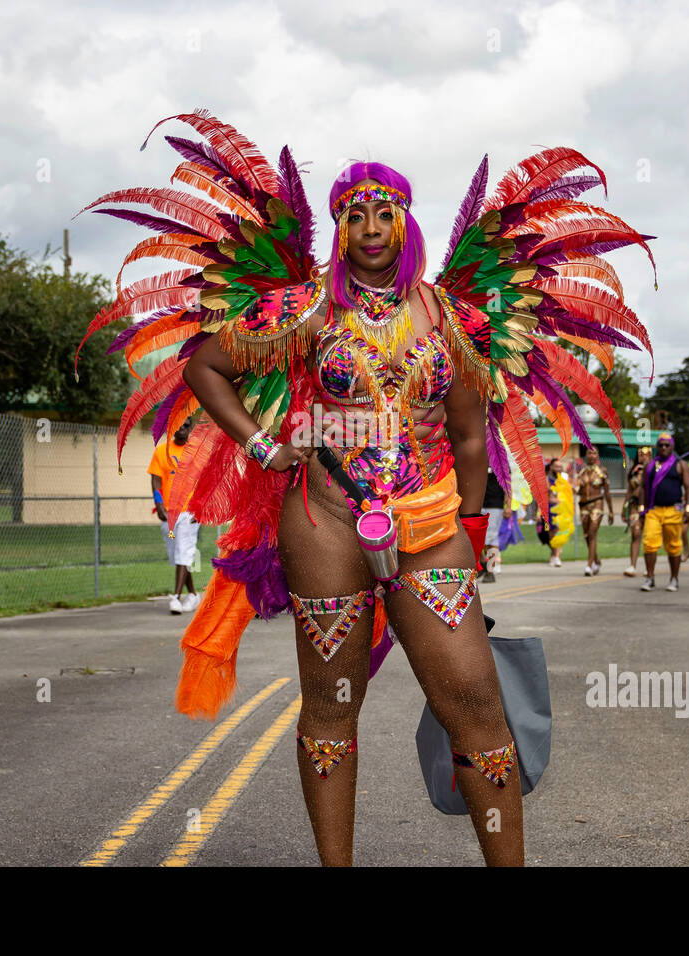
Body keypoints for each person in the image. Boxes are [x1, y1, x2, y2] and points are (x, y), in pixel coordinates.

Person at [84, 111, 656, 862]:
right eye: (355, 214)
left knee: (479, 711)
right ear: (341, 229)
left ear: (406, 222)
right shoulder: (305, 310)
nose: (372, 225)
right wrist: (263, 445)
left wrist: (475, 531)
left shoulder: (453, 317)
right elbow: (205, 367)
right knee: (330, 708)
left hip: (428, 526)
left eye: (385, 212)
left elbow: (471, 435)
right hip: (324, 522)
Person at [148, 418, 200, 614]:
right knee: (177, 555)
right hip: (168, 514)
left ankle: (176, 597)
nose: (182, 429)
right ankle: (193, 594)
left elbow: (205, 481)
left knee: (183, 552)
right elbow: (156, 480)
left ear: (191, 428)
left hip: (189, 513)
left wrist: (201, 508)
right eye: (178, 424)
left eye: (186, 425)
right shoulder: (161, 451)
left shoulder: (197, 452)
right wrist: (158, 503)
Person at [637, 433, 689, 592]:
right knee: (649, 544)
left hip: (674, 510)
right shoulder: (650, 465)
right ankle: (650, 578)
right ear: (657, 447)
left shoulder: (680, 465)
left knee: (674, 546)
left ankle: (674, 579)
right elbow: (642, 487)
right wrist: (641, 509)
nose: (663, 448)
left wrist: (688, 508)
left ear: (672, 446)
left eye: (666, 445)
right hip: (653, 510)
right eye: (661, 445)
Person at [576, 445, 613, 576]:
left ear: (597, 456)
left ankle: (589, 565)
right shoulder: (581, 472)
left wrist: (611, 511)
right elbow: (578, 490)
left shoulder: (602, 471)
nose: (592, 455)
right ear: (586, 455)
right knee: (587, 535)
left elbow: (607, 493)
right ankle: (596, 560)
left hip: (597, 503)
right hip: (584, 505)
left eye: (594, 453)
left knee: (592, 533)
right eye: (589, 453)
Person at [623, 446, 652, 576]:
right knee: (635, 534)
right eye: (641, 454)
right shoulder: (633, 472)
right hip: (634, 505)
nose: (644, 457)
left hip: (649, 506)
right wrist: (624, 508)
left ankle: (648, 567)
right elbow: (629, 491)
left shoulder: (654, 470)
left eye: (647, 454)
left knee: (648, 536)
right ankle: (632, 566)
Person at [480, 467, 507, 583]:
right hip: (478, 502)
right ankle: (483, 563)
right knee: (477, 537)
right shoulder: (479, 455)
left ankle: (490, 570)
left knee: (491, 538)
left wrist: (509, 506)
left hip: (495, 504)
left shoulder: (500, 459)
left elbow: (507, 485)